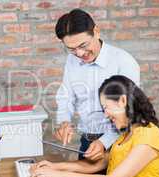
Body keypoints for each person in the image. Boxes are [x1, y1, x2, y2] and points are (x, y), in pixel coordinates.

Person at [31, 75, 159, 177]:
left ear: (123, 101)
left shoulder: (148, 136)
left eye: (106, 107)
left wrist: (59, 175)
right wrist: (55, 167)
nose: (106, 115)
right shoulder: (125, 135)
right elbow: (96, 165)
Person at [53, 8, 140, 162]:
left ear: (96, 31)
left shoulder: (123, 62)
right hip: (87, 141)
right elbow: (66, 96)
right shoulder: (72, 61)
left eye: (83, 45)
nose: (79, 54)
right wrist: (63, 121)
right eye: (72, 49)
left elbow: (129, 112)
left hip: (120, 140)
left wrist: (104, 142)